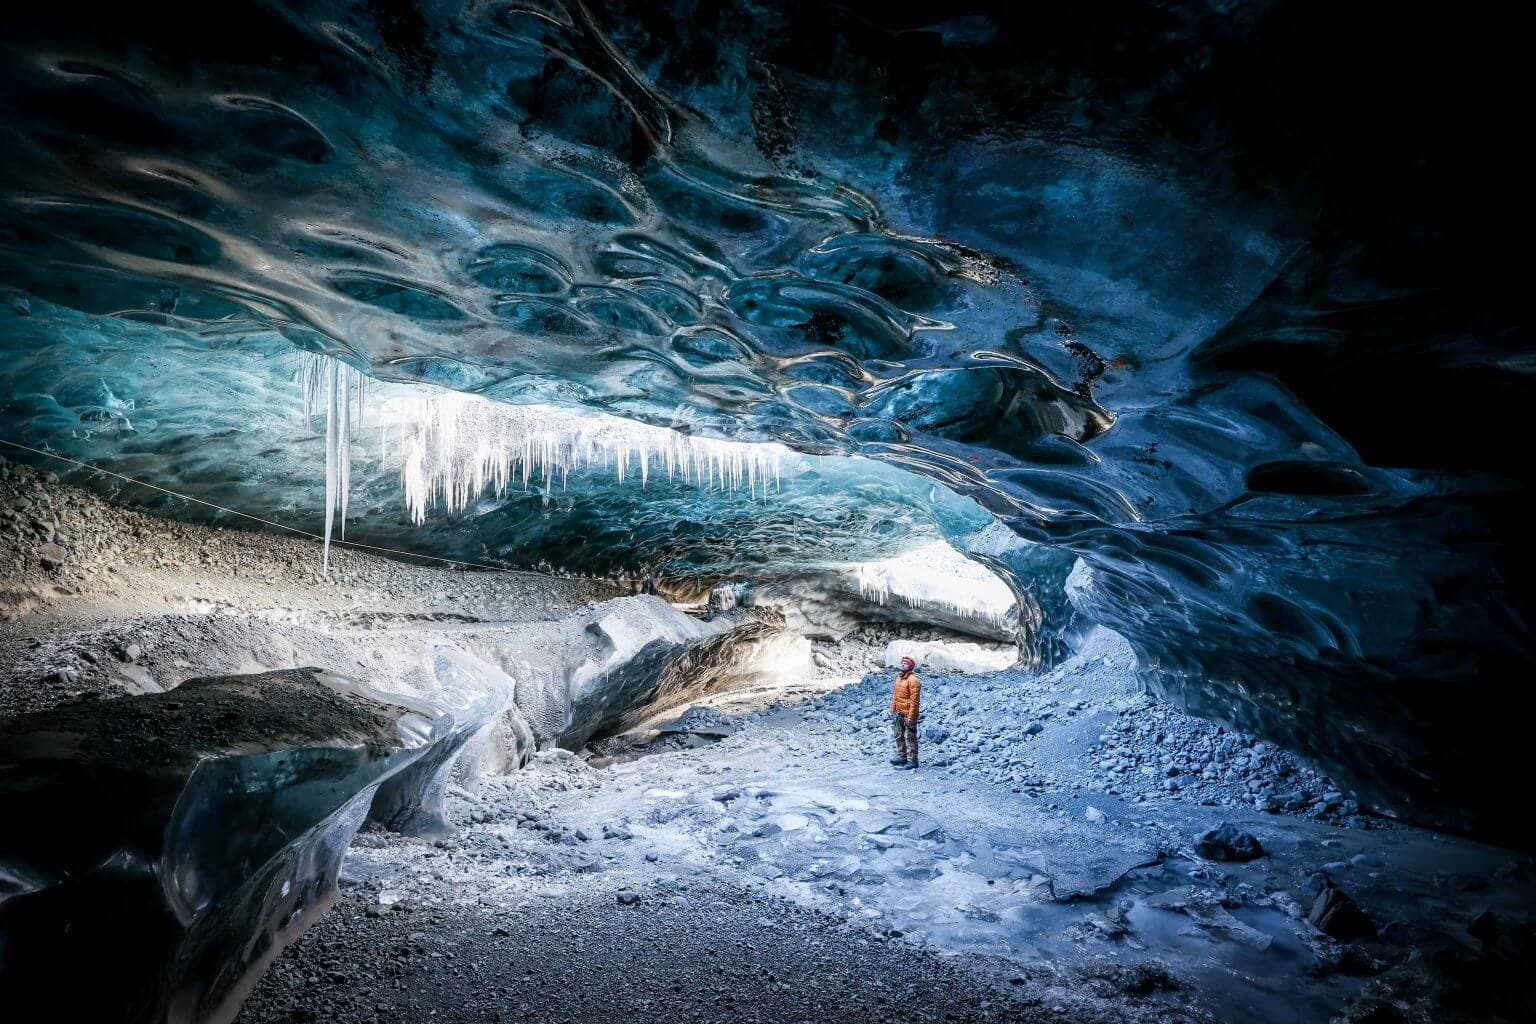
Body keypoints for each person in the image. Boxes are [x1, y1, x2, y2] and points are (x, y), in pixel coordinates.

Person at [889, 655, 921, 770]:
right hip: (899, 713)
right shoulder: (899, 678)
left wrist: (911, 717)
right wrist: (892, 709)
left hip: (908, 714)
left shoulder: (914, 681)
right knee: (898, 735)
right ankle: (902, 757)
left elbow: (914, 701)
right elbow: (895, 695)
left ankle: (913, 760)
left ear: (910, 667)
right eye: (902, 662)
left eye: (905, 663)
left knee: (910, 737)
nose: (903, 664)